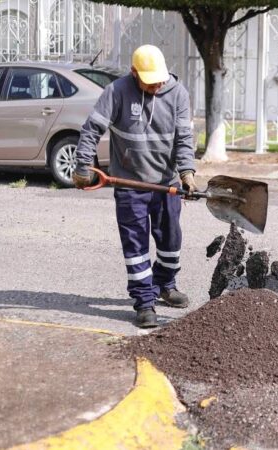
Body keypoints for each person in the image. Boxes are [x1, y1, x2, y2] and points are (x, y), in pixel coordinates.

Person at [72, 45, 197, 328]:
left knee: (171, 241)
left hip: (166, 183)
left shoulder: (178, 93)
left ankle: (165, 283)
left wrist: (187, 172)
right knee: (136, 245)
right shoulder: (116, 92)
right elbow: (92, 129)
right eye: (149, 82)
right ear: (133, 73)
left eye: (159, 80)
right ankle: (144, 301)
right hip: (129, 184)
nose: (156, 86)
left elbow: (183, 139)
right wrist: (83, 166)